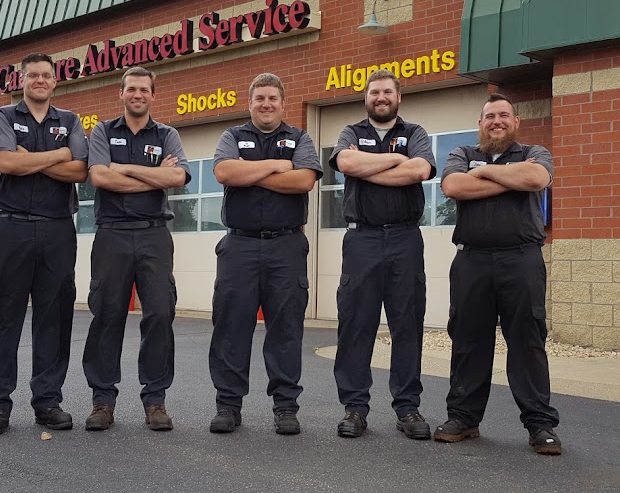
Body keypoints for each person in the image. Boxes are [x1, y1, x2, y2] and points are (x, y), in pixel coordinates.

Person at [435, 93, 561, 455]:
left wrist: (482, 173)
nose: (497, 121)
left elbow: (537, 178)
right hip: (472, 261)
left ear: (515, 122)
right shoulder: (462, 153)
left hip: (521, 259)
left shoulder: (534, 153)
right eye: (490, 116)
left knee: (527, 341)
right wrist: (511, 179)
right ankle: (463, 419)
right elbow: (453, 186)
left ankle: (540, 425)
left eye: (504, 115)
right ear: (480, 124)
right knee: (468, 341)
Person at [0, 52, 88, 436]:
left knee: (54, 318)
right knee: (2, 316)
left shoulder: (70, 121)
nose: (40, 80)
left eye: (46, 75)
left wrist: (34, 158)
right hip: (10, 228)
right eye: (33, 75)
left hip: (57, 230)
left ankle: (48, 402)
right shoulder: (3, 117)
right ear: (21, 81)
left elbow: (80, 170)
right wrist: (59, 155)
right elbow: (8, 164)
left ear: (55, 81)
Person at [207, 72, 322, 435]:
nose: (266, 104)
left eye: (273, 98)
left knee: (285, 328)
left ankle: (285, 407)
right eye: (260, 98)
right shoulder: (232, 136)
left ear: (283, 104)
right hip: (238, 245)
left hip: (286, 246)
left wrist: (249, 173)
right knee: (231, 327)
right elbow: (225, 172)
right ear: (250, 103)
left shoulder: (300, 138)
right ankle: (228, 406)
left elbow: (303, 180)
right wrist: (276, 166)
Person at [329, 69, 436, 440]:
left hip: (406, 239)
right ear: (366, 97)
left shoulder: (415, 132)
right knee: (356, 324)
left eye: (387, 92)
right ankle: (355, 408)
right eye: (374, 92)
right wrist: (396, 160)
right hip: (363, 239)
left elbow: (419, 169)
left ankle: (408, 409)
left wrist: (369, 166)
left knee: (407, 324)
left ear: (398, 97)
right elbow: (346, 164)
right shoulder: (350, 132)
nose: (381, 97)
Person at [82, 66, 190, 432]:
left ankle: (155, 400)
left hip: (153, 234)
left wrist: (123, 169)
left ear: (153, 95)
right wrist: (152, 175)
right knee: (107, 315)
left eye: (144, 89)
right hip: (111, 234)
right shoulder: (102, 131)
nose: (137, 94)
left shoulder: (167, 134)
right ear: (121, 93)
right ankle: (103, 401)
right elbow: (99, 176)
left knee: (159, 314)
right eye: (131, 89)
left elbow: (177, 177)